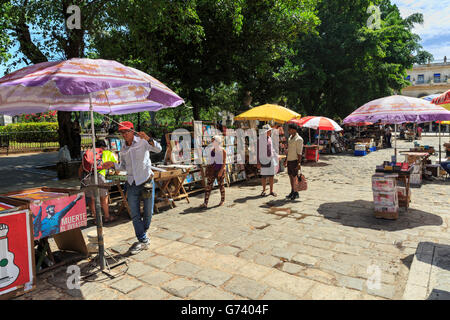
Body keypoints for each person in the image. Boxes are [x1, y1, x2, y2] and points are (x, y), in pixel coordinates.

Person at [102, 121, 162, 254]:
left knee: (148, 213)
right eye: (121, 132)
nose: (124, 135)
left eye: (126, 131)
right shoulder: (123, 149)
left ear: (132, 131)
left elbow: (159, 149)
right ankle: (142, 239)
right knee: (134, 214)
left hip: (146, 182)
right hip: (131, 184)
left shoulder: (142, 141)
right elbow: (123, 166)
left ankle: (143, 233)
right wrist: (113, 164)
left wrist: (149, 139)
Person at [79, 140, 118, 223]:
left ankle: (96, 219)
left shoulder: (89, 154)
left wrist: (80, 179)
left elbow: (81, 168)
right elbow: (116, 164)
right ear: (104, 147)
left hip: (87, 177)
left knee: (92, 199)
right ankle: (107, 217)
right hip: (100, 177)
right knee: (104, 198)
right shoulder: (108, 153)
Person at [200, 135, 227, 208]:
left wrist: (221, 171)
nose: (212, 142)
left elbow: (224, 162)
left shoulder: (223, 150)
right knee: (208, 186)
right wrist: (207, 169)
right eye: (212, 141)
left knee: (221, 185)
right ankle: (205, 203)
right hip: (212, 170)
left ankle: (222, 200)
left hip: (219, 170)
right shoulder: (212, 150)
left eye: (213, 141)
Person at [257, 124, 278, 197]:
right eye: (269, 130)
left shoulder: (270, 138)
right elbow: (258, 151)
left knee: (271, 175)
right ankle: (263, 191)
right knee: (264, 176)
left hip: (270, 159)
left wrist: (276, 156)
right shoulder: (260, 139)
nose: (270, 132)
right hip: (263, 159)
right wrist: (258, 162)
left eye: (270, 131)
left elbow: (272, 149)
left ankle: (271, 191)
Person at [284, 123, 303, 200]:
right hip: (289, 160)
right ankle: (293, 191)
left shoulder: (299, 139)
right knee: (290, 177)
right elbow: (289, 151)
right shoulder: (290, 138)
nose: (288, 130)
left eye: (290, 129)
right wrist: (286, 160)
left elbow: (299, 152)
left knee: (295, 177)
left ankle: (296, 192)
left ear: (294, 130)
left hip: (295, 160)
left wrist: (299, 163)